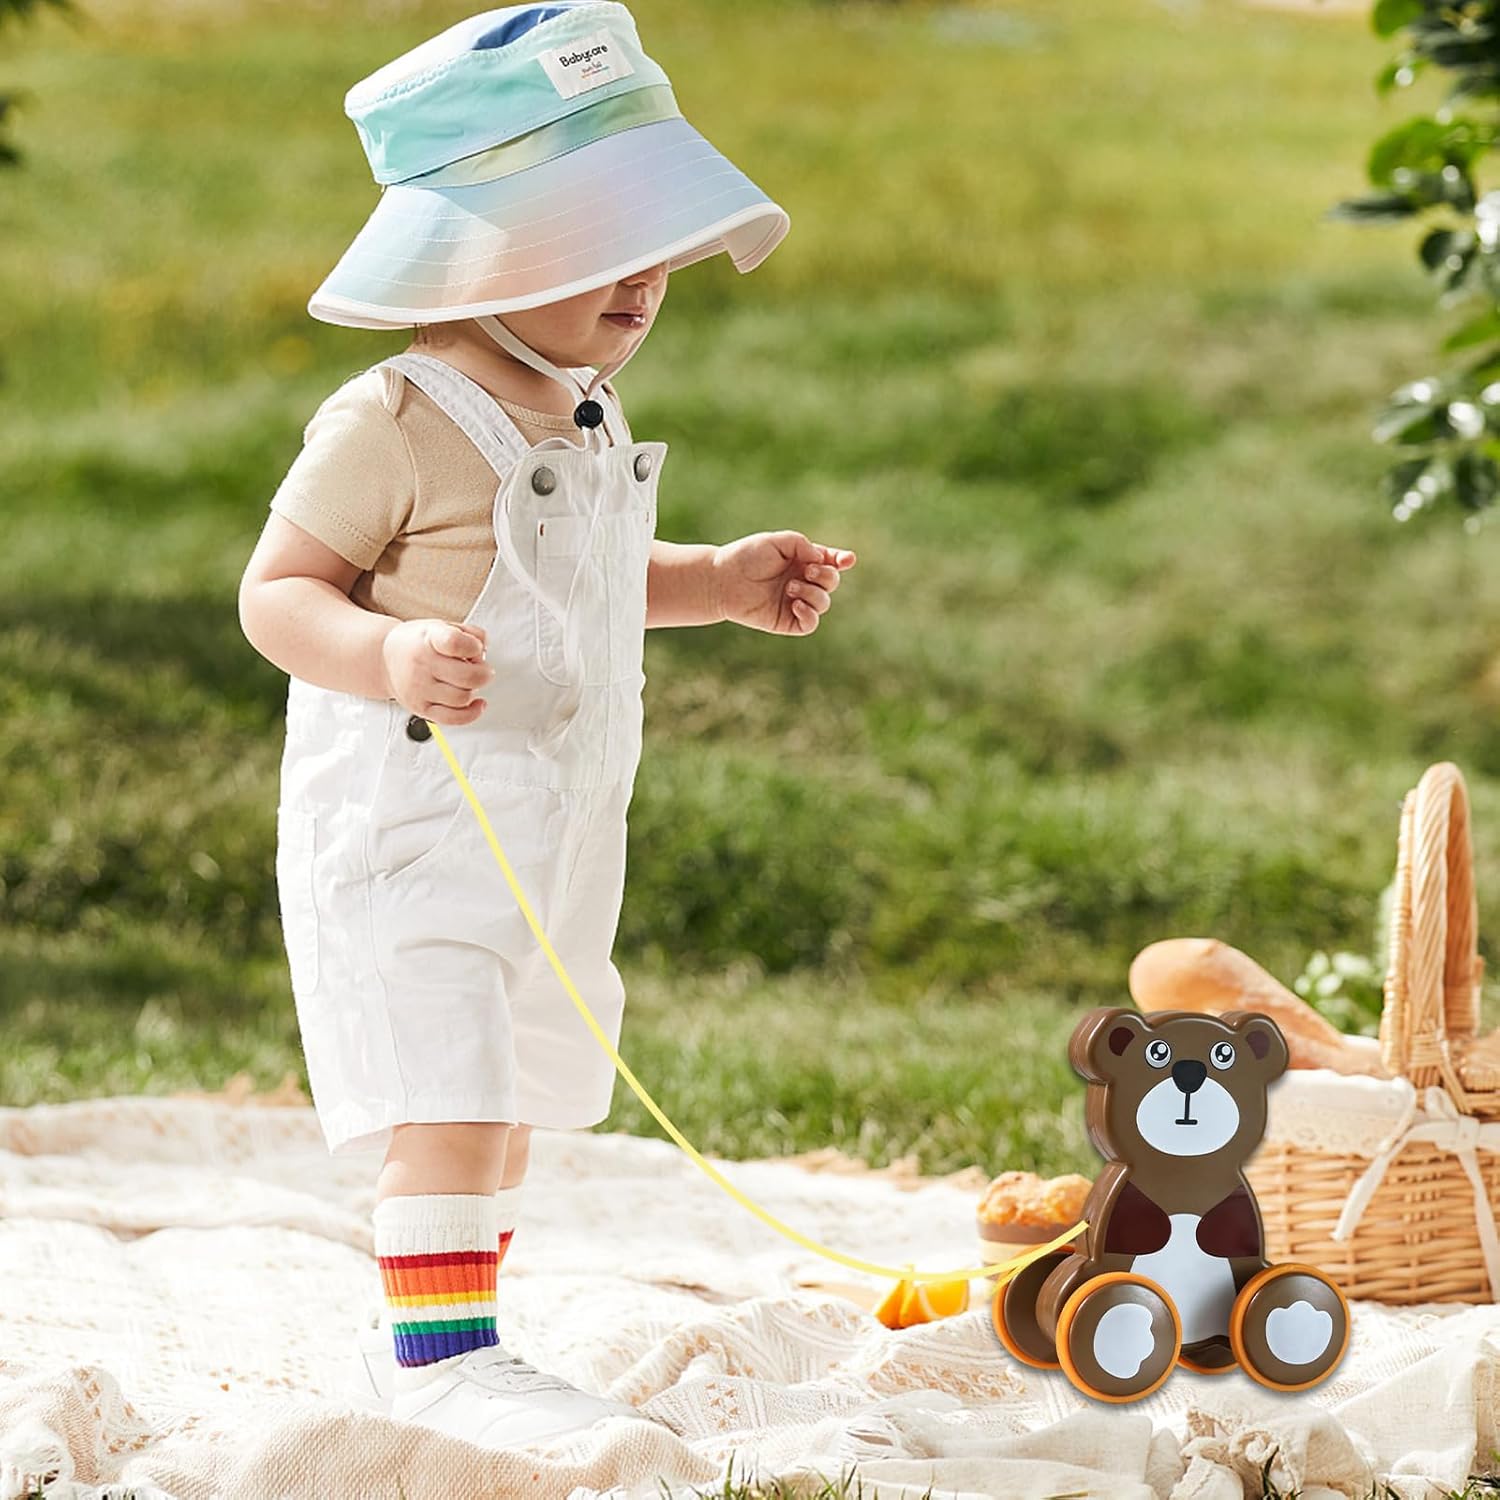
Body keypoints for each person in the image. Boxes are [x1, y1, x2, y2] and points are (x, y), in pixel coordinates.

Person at [236, 0, 858, 1452]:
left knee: (512, 1083)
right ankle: (438, 1357)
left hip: (550, 823)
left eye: (658, 249)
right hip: (412, 823)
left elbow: (579, 585)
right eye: (602, 247)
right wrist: (387, 652)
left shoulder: (579, 407)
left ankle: (455, 1329)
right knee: (447, 1083)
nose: (644, 281)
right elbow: (277, 594)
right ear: (476, 254)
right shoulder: (393, 419)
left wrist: (716, 581)